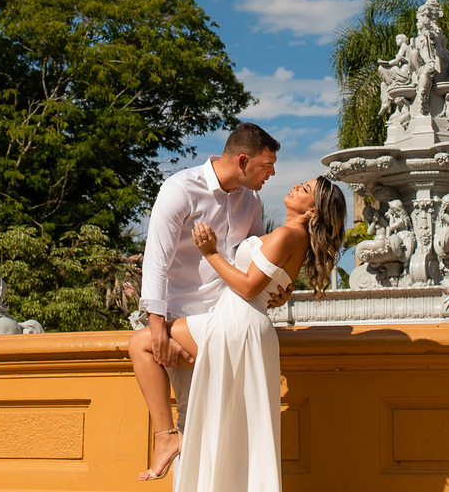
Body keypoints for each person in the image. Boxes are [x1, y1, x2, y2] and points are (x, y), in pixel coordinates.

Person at [129, 176, 347, 490]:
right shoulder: (294, 238)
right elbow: (266, 283)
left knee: (143, 345)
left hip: (236, 322)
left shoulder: (287, 234)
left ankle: (166, 437)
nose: (296, 186)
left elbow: (247, 287)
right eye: (301, 183)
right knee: (231, 426)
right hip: (244, 325)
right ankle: (175, 416)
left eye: (306, 190)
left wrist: (210, 252)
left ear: (312, 210)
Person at [132, 122, 282, 479]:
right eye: (266, 166)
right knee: (191, 421)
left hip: (231, 326)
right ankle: (167, 440)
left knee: (228, 427)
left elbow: (256, 256)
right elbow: (156, 262)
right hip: (184, 324)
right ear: (243, 161)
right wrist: (158, 333)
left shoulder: (253, 201)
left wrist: (278, 289)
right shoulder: (180, 189)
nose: (271, 174)